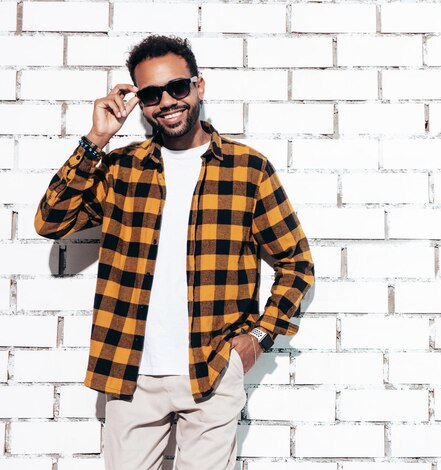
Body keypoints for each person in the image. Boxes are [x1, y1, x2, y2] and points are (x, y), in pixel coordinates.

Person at [33, 34, 314, 470]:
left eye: (177, 88)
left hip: (213, 368)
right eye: (150, 94)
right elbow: (51, 222)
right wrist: (96, 139)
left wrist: (257, 340)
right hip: (131, 373)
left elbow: (296, 264)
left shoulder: (248, 169)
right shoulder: (121, 170)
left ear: (199, 86)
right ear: (140, 103)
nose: (166, 101)